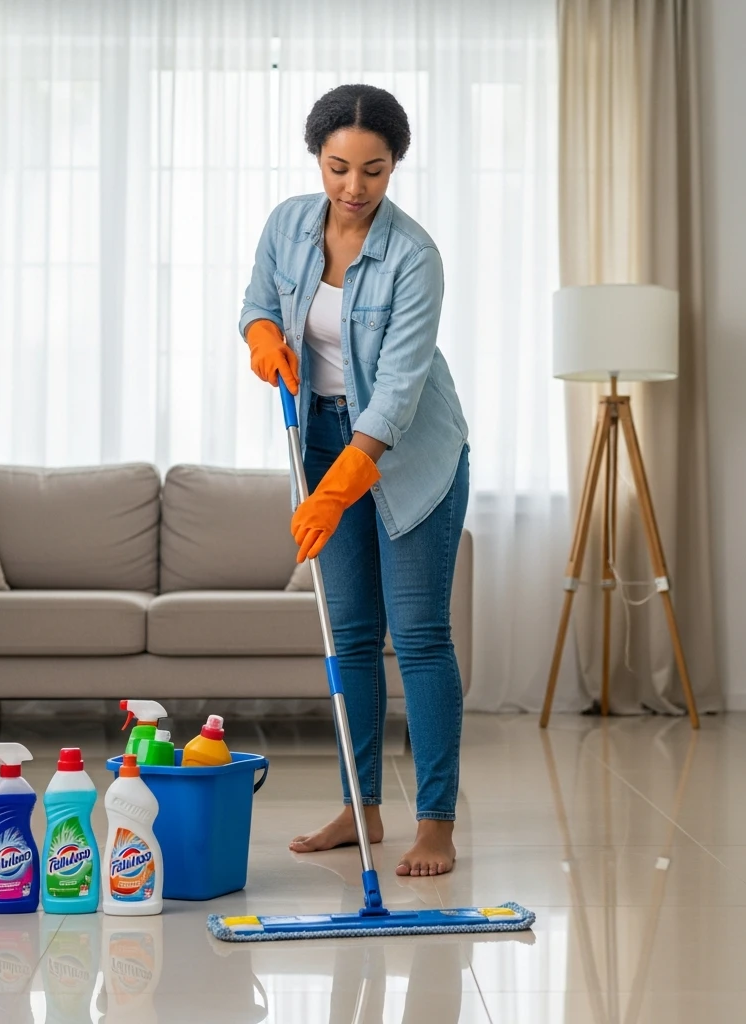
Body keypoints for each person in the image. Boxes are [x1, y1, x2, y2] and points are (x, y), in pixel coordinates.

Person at [239, 84, 469, 877]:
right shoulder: (288, 225)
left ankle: (435, 821)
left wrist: (337, 490)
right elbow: (257, 300)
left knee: (420, 637)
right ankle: (359, 805)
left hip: (408, 453)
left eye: (374, 170)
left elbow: (400, 396)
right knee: (351, 640)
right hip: (323, 431)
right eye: (339, 167)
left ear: (395, 165)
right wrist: (264, 336)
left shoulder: (414, 257)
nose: (354, 188)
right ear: (318, 158)